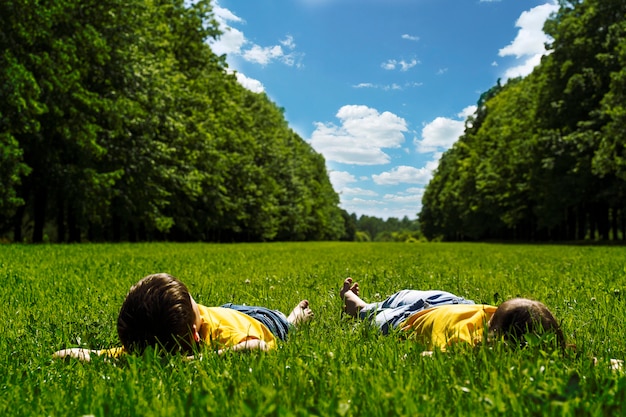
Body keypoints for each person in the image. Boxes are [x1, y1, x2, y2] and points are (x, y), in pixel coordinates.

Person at [54, 273, 313, 361]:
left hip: (224, 310)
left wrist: (81, 354)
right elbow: (259, 347)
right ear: (195, 334)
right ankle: (295, 317)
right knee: (286, 324)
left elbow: (84, 355)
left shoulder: (145, 348)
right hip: (262, 323)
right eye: (192, 299)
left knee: (221, 310)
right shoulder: (226, 339)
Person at [339, 277, 565, 353]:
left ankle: (353, 302)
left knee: (387, 306)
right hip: (431, 310)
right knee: (384, 306)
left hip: (436, 308)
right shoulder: (474, 343)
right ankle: (359, 305)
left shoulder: (479, 331)